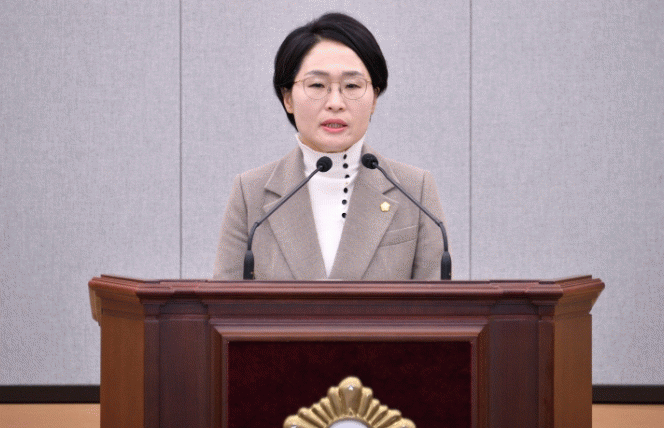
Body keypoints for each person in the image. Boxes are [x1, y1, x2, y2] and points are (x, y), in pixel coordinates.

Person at [213, 12, 447, 281]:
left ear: (374, 98)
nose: (335, 102)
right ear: (288, 98)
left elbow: (436, 303)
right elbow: (225, 302)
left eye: (352, 85)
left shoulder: (414, 191)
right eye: (317, 85)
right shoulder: (250, 194)